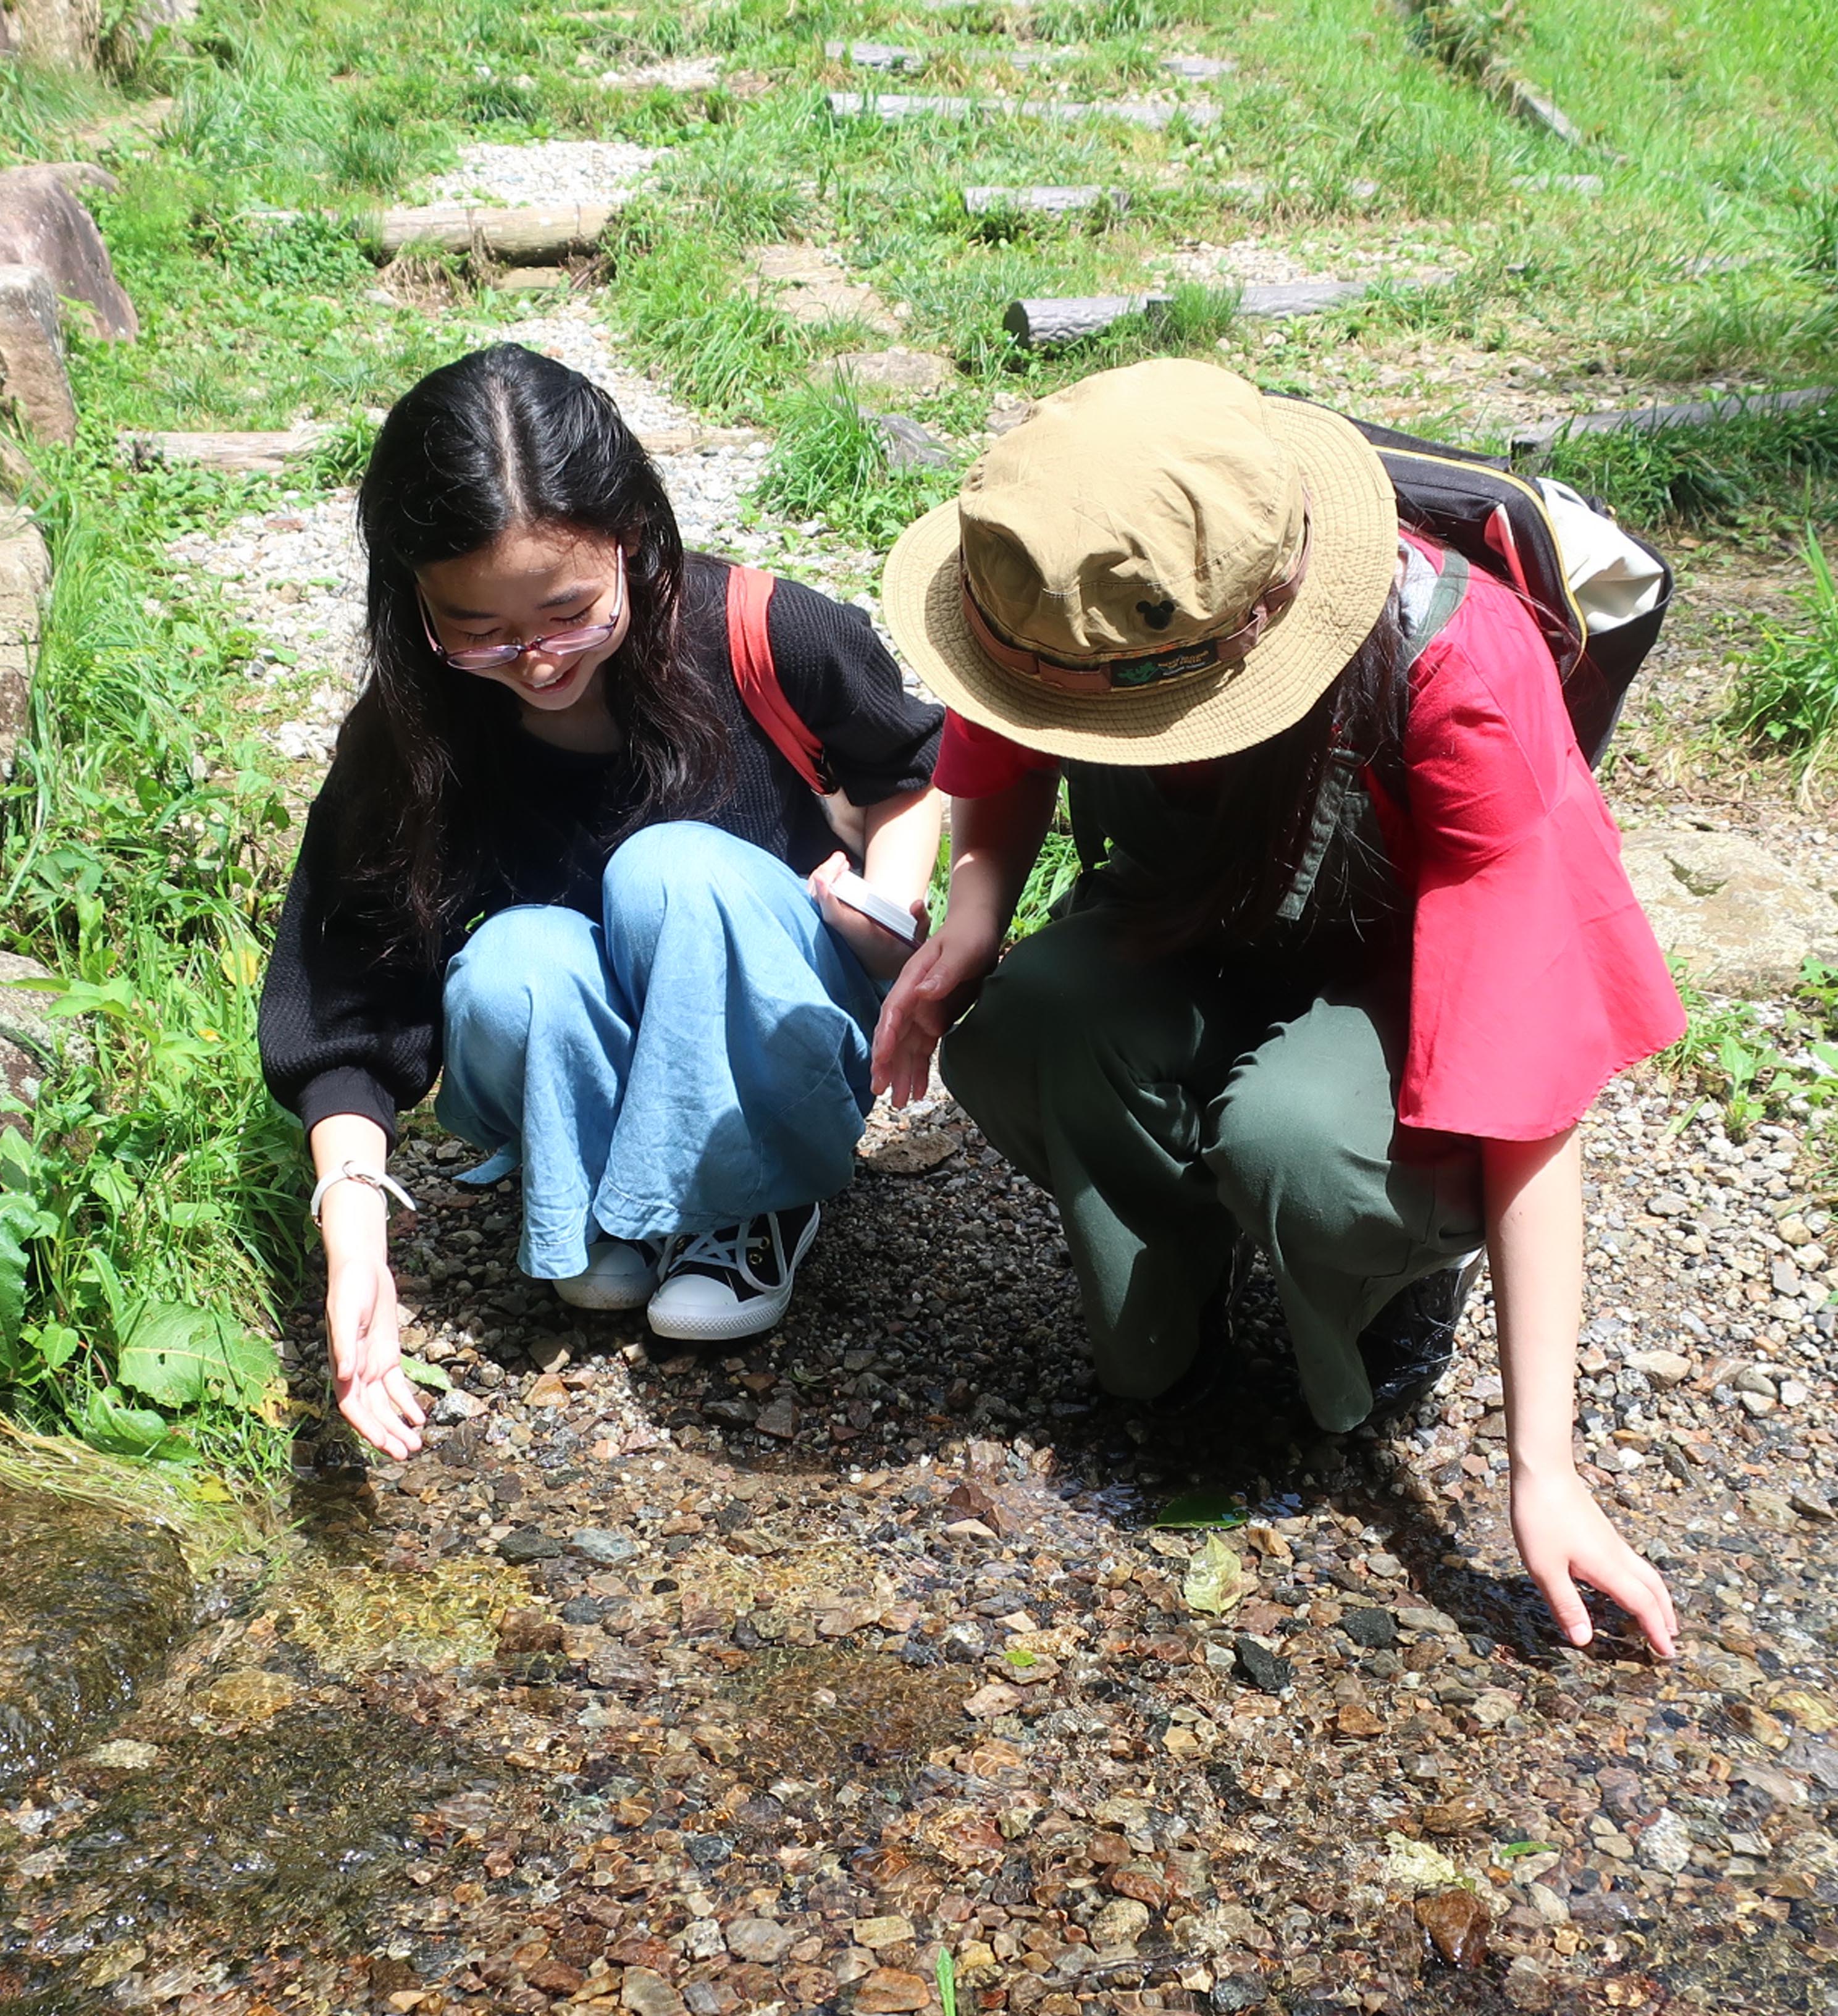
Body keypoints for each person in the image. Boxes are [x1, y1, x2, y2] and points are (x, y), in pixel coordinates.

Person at [871, 359, 1682, 1656]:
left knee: (1301, 1147)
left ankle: (1373, 1297)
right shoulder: (1075, 592)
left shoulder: (1460, 666)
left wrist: (1545, 1467)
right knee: (1033, 1018)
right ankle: (1175, 1320)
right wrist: (973, 919)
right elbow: (1005, 740)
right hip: (1191, 911)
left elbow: (1534, 1082)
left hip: (1399, 970)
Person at [260, 343, 944, 1461]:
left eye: (569, 611)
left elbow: (907, 771)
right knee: (516, 959)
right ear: (413, 596)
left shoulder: (762, 630)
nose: (533, 661)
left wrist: (888, 907)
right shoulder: (414, 732)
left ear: (631, 535)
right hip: (600, 1033)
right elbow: (346, 1001)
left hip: (772, 1020)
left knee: (673, 869)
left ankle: (752, 1201)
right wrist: (356, 1241)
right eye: (477, 628)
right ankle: (590, 1184)